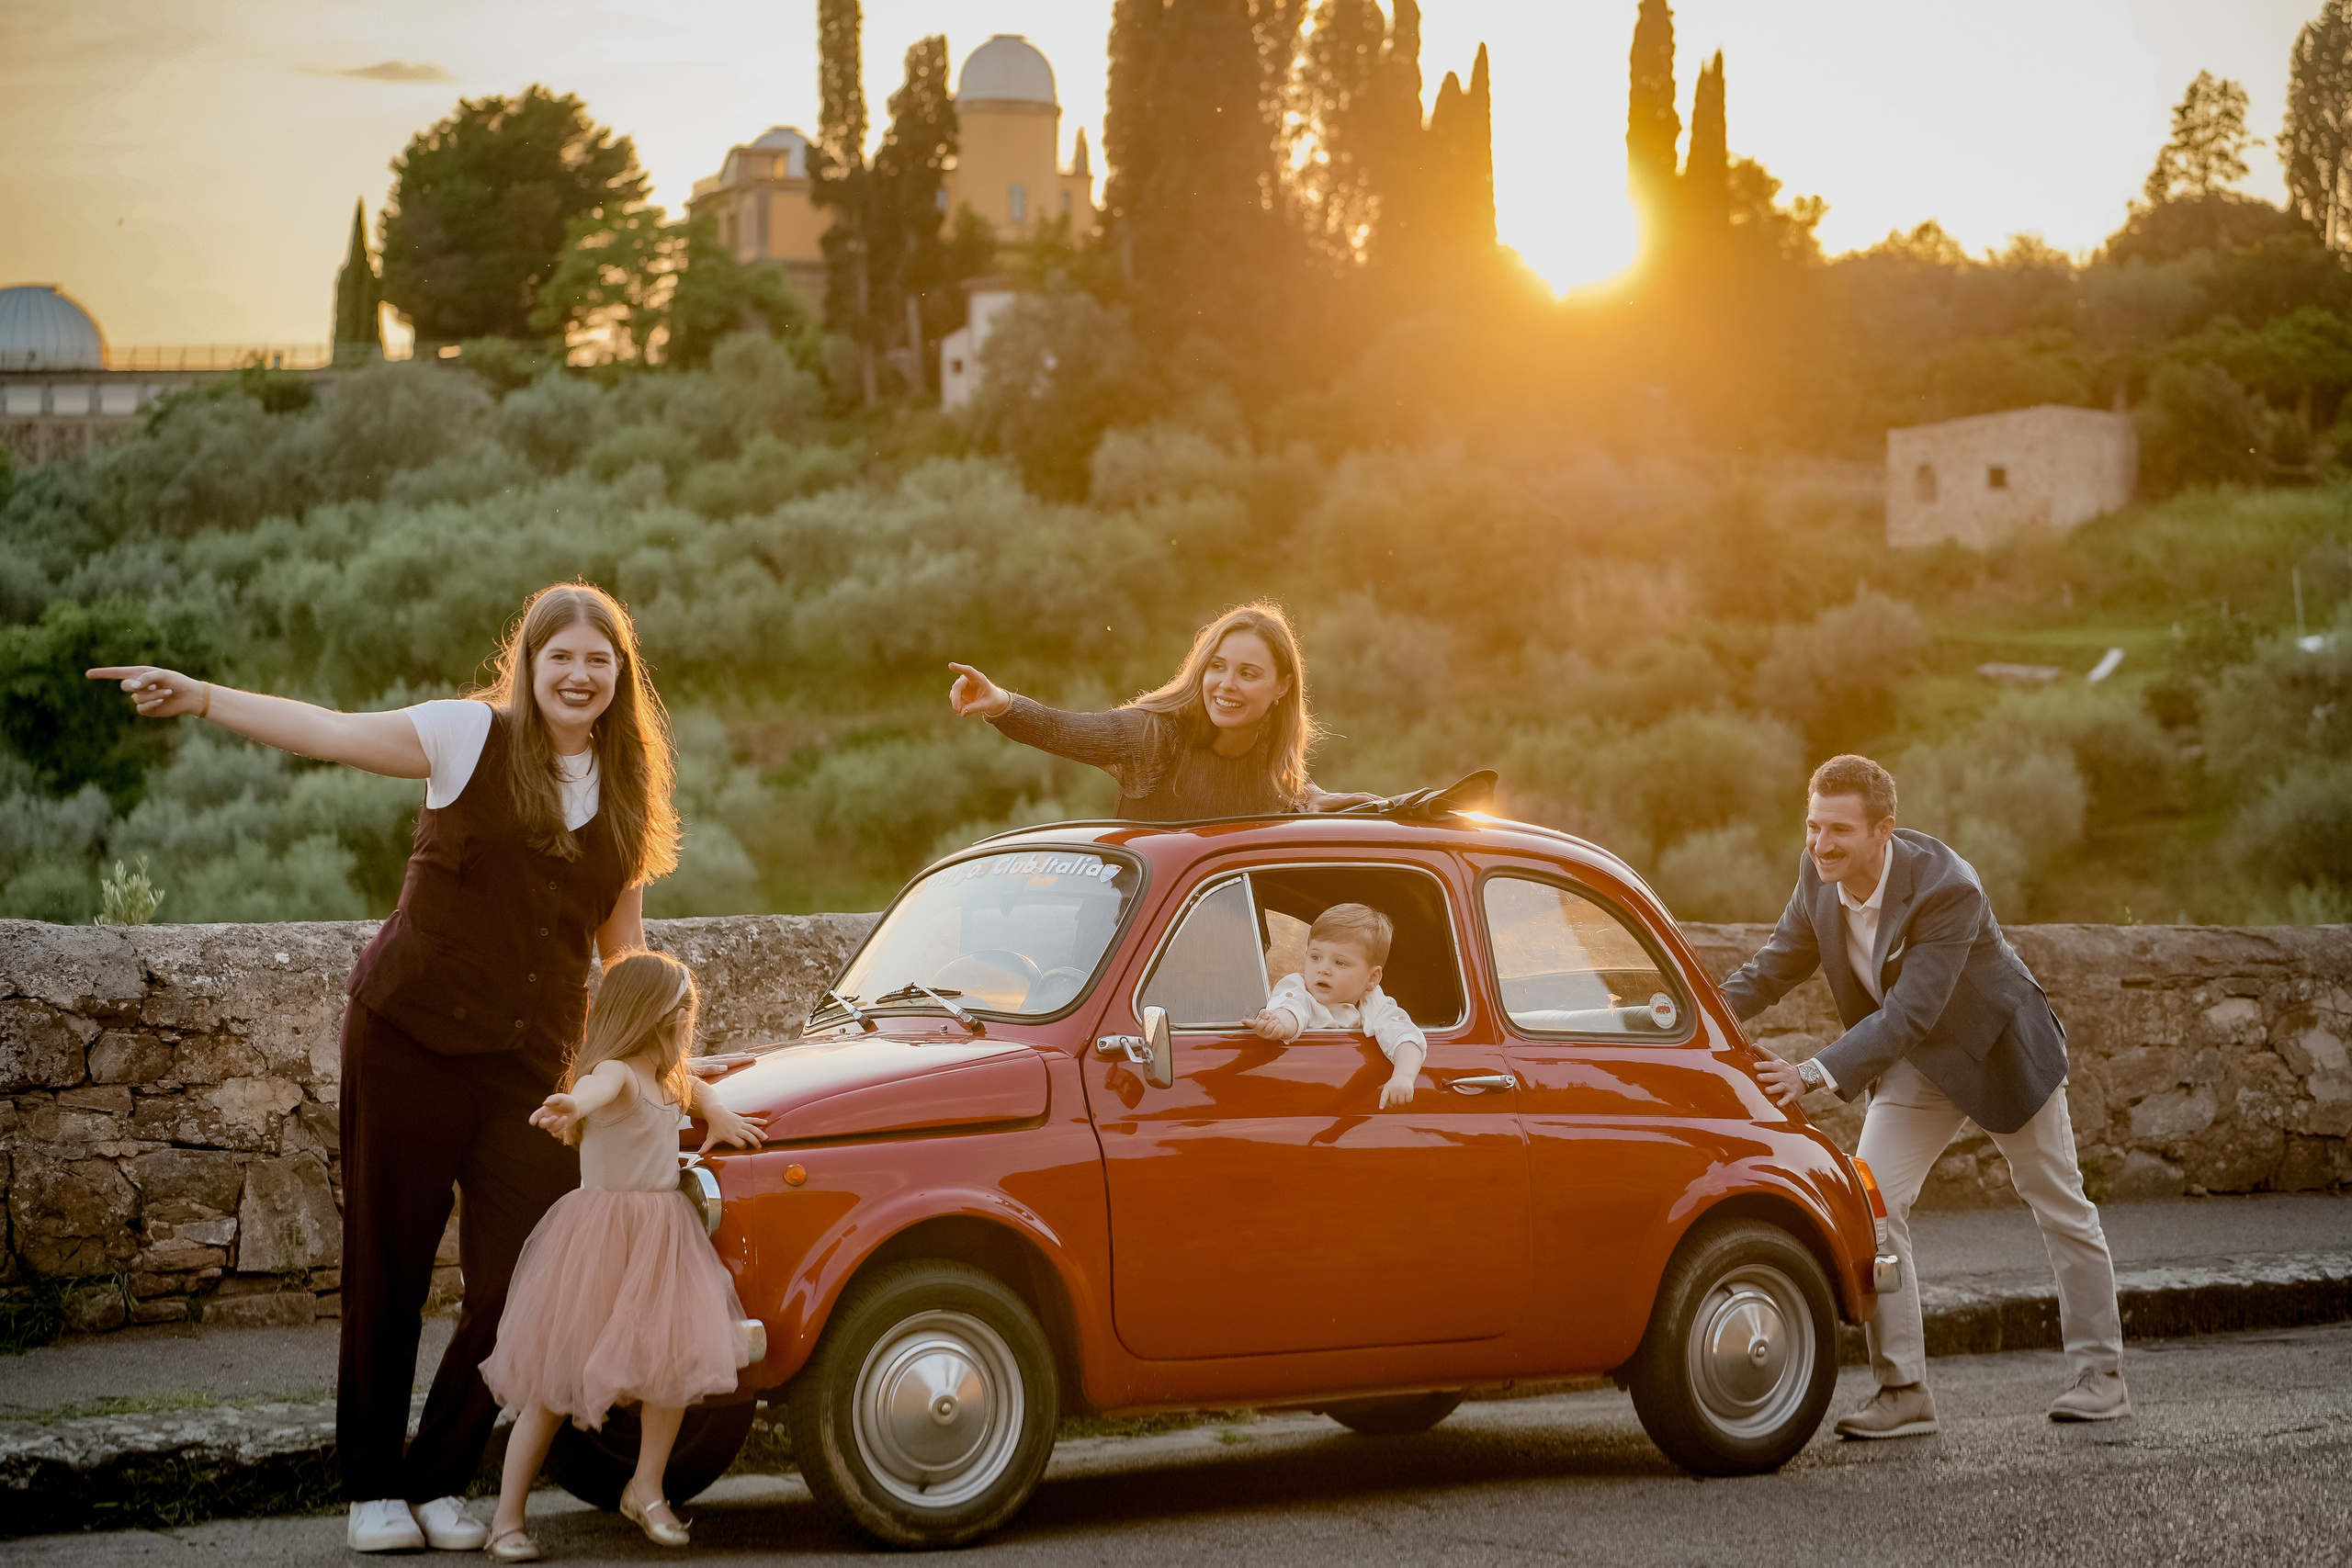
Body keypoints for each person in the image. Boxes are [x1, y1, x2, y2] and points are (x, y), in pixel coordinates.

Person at [90, 581, 707, 1553]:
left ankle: (440, 1479)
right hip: (406, 1036)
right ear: (530, 665)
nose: (580, 675)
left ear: (620, 676)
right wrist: (204, 696)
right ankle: (373, 1487)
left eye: (600, 660)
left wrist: (674, 1067)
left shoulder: (627, 794)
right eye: (561, 658)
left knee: (520, 1281)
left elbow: (623, 958)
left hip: (529, 1068)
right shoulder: (466, 737)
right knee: (391, 1265)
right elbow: (330, 731)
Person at [1722, 754, 2128, 1437]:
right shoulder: (1815, 876)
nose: (1821, 843)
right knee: (1872, 1199)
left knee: (2059, 1202)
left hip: (1997, 1052)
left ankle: (2102, 1376)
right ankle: (1905, 1389)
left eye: (1839, 830)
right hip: (1916, 1064)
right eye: (1814, 826)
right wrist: (1687, 1019)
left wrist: (1812, 1072)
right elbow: (1772, 968)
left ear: (1884, 830)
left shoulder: (1948, 888)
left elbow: (1909, 1011)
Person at [481, 951, 765, 1561]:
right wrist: (574, 1106)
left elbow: (696, 1086)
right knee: (553, 1385)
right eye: (682, 1021)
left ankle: (647, 1485)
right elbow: (595, 1086)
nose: (687, 1032)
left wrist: (715, 1110)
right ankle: (506, 1518)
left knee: (670, 1365)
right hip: (602, 1242)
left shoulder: (667, 1078)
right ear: (653, 1019)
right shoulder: (616, 1072)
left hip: (662, 1239)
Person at [946, 602, 1377, 820]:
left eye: (1248, 673)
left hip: (1231, 956)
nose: (1226, 685)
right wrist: (1002, 703)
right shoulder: (1155, 735)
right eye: (1217, 667)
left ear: (1282, 686)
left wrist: (1317, 799)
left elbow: (1293, 789)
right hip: (1133, 949)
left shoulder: (1274, 764)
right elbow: (1065, 729)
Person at [1248, 903, 1427, 1109]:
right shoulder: (1299, 988)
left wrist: (1403, 1076)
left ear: (1372, 977)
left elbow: (1406, 1037)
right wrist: (1277, 1024)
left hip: (1350, 1104)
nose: (1323, 969)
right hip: (1294, 1095)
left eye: (1339, 963)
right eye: (1315, 957)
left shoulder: (1375, 1004)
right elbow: (1291, 1009)